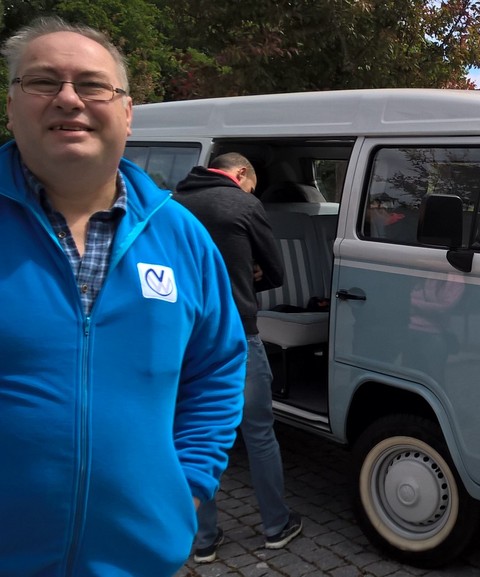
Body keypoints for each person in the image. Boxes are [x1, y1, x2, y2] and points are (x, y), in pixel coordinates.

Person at [0, 16, 246, 577]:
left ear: (127, 113)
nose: (68, 99)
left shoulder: (182, 235)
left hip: (142, 560)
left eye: (92, 85)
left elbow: (216, 369)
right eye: (42, 82)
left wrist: (186, 490)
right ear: (12, 106)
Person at [174, 153, 303, 562]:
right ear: (241, 174)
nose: (253, 191)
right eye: (252, 183)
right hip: (235, 336)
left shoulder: (172, 204)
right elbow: (276, 273)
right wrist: (245, 275)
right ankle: (275, 526)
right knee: (259, 432)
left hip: (183, 339)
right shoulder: (244, 205)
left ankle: (205, 539)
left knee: (192, 435)